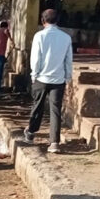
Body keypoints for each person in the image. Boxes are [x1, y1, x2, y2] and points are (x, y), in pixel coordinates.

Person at [22, 9, 73, 154]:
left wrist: (34, 74)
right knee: (55, 110)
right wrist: (68, 78)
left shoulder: (40, 36)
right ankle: (54, 143)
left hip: (41, 78)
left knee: (37, 106)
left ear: (43, 20)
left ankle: (31, 133)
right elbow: (68, 60)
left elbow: (36, 58)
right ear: (58, 20)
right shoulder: (66, 38)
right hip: (58, 79)